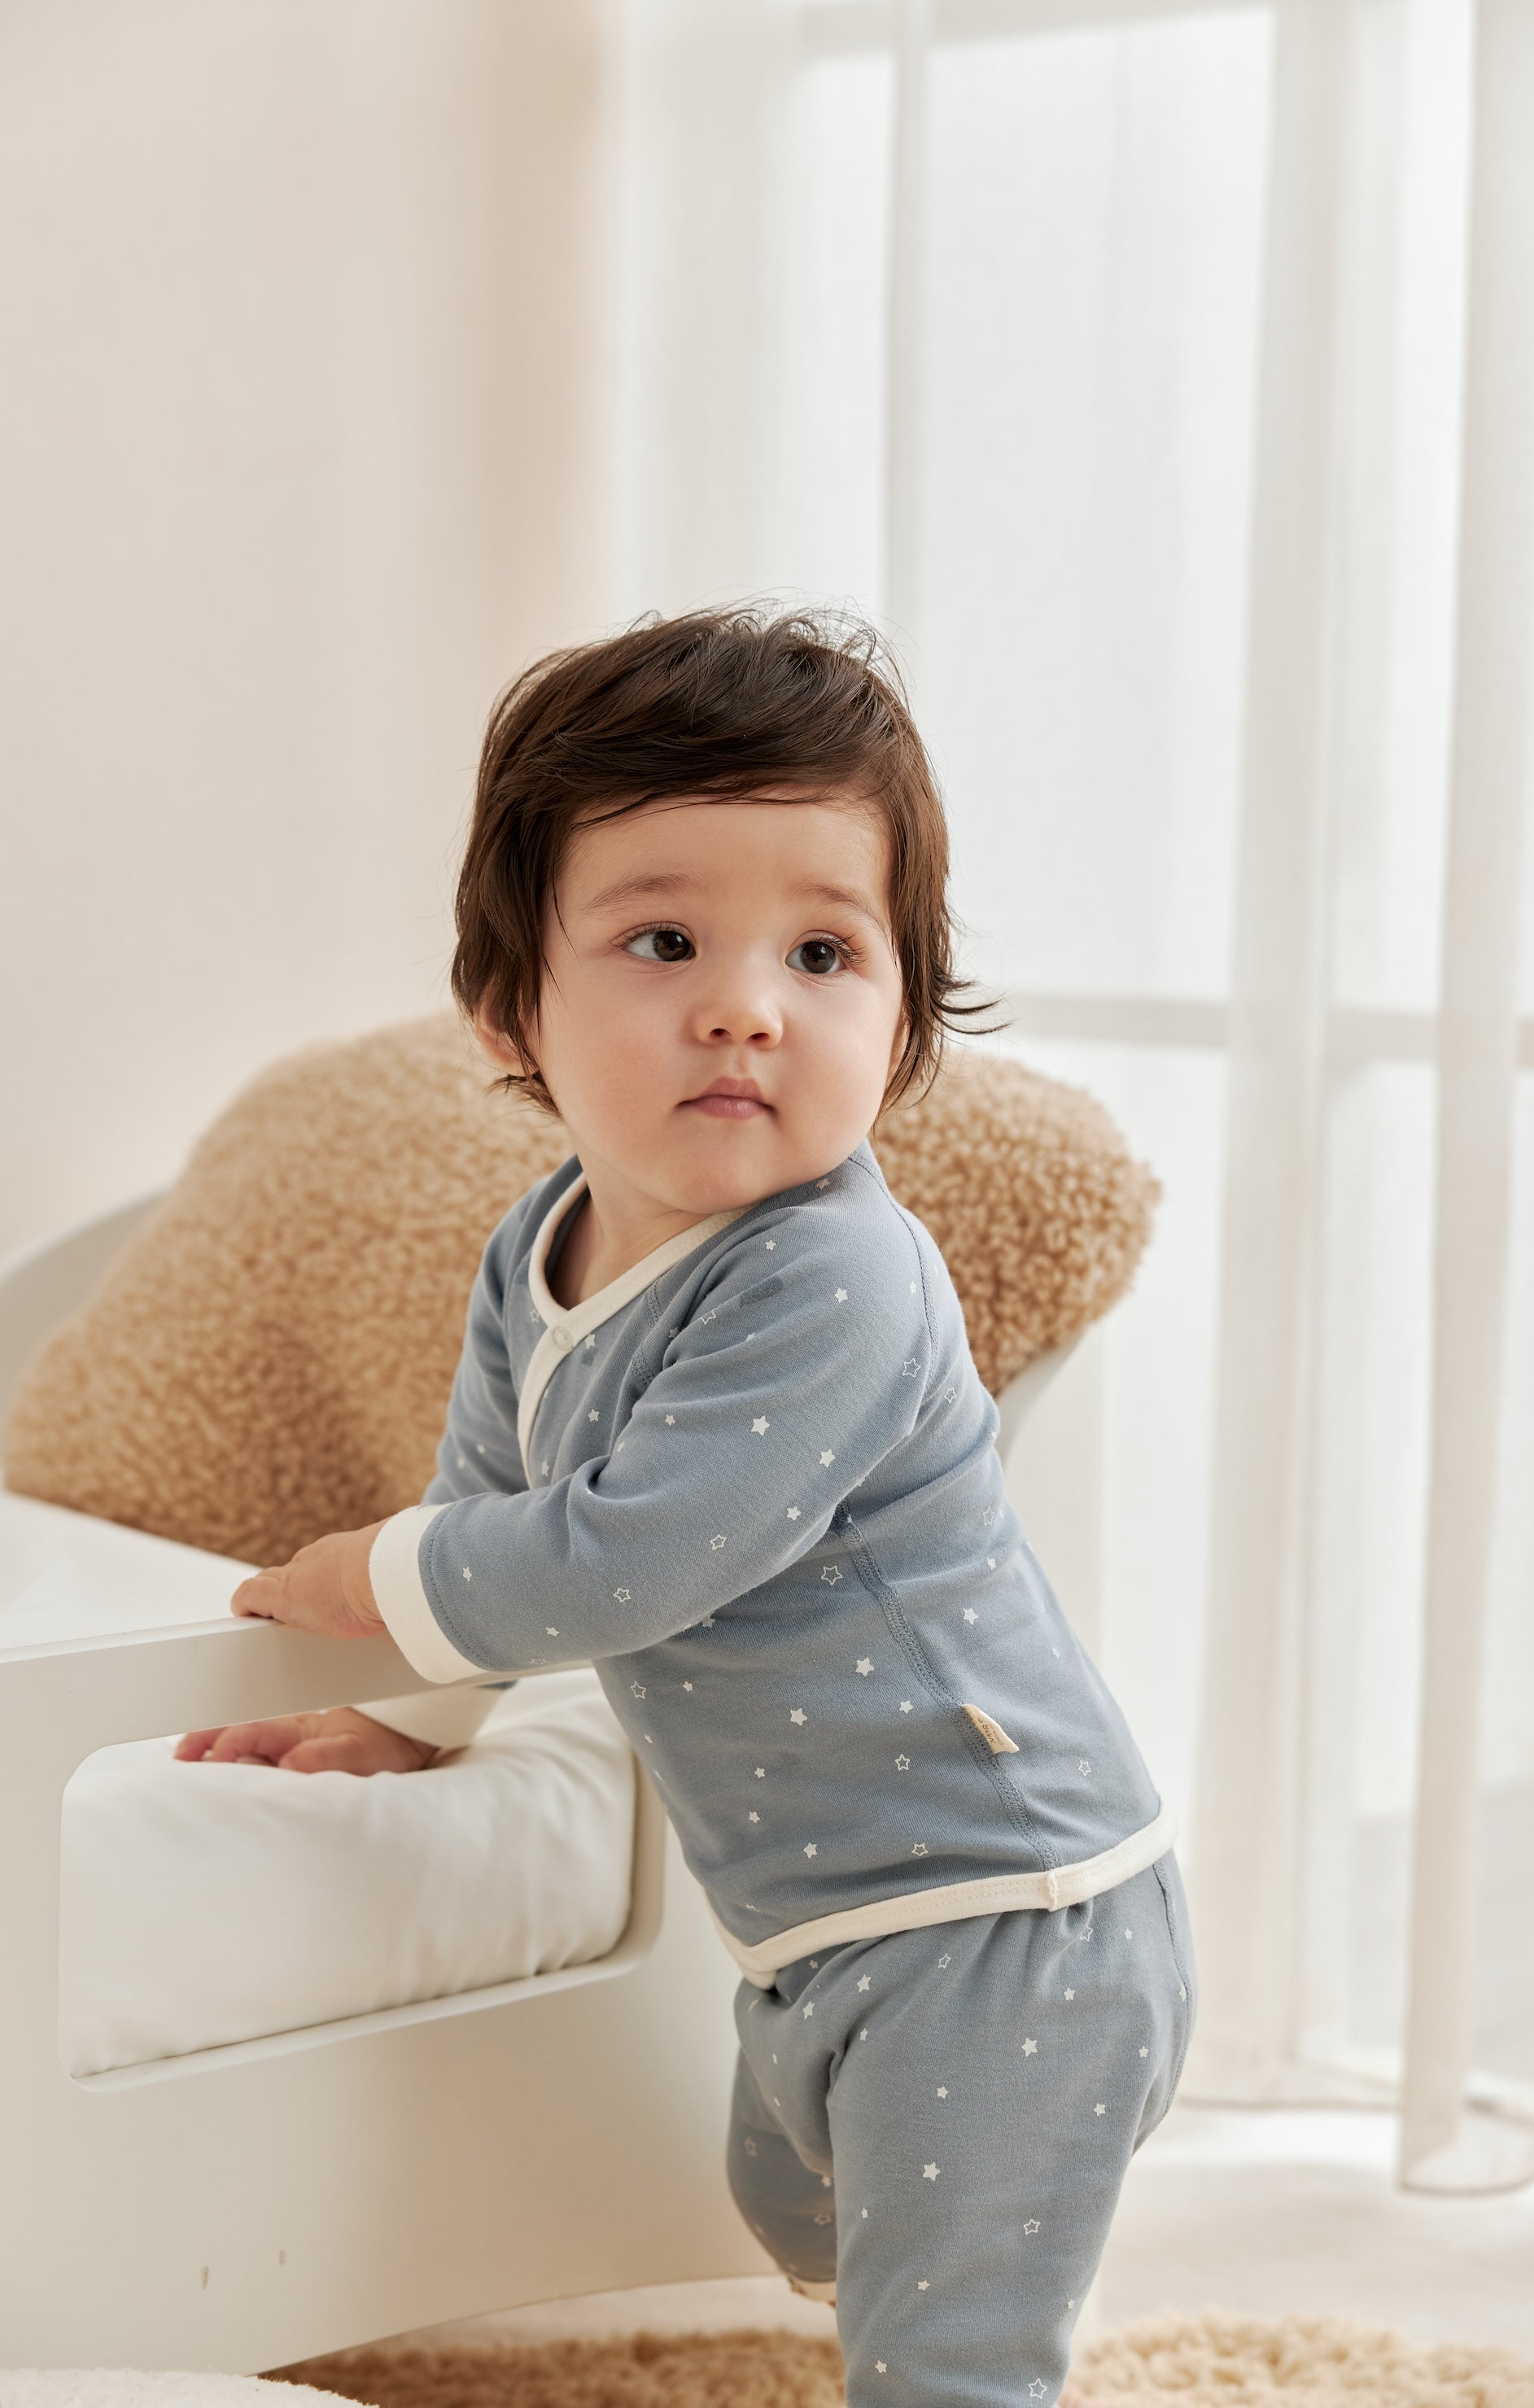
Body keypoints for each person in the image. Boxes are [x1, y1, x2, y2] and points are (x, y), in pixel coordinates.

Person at [178, 605, 1193, 2407]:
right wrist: (413, 1720)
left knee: (947, 2355)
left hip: (1003, 1910)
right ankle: (915, 2261)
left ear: (900, 1022)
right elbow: (493, 1485)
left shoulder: (838, 1278)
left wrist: (373, 1578)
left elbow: (632, 1551)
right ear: (511, 1006)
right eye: (665, 940)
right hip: (815, 1927)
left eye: (823, 949)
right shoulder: (539, 1247)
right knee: (784, 2201)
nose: (746, 1001)